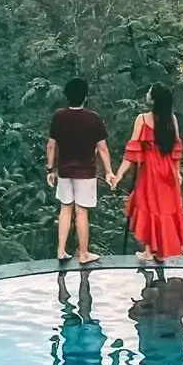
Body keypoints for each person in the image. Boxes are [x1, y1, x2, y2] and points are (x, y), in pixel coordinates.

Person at [114, 83, 183, 281]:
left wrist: (119, 174)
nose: (146, 94)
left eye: (149, 92)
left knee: (148, 207)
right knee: (165, 209)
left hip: (150, 170)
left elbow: (132, 151)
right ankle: (160, 251)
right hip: (168, 172)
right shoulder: (170, 119)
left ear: (153, 99)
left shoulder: (142, 119)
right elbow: (176, 149)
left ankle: (149, 251)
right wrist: (177, 173)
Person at [46, 77, 114, 269]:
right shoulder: (93, 118)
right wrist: (109, 171)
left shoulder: (59, 116)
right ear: (85, 96)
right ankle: (83, 253)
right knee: (82, 212)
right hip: (86, 172)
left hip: (65, 171)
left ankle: (61, 250)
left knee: (65, 208)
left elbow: (51, 145)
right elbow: (103, 149)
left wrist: (50, 169)